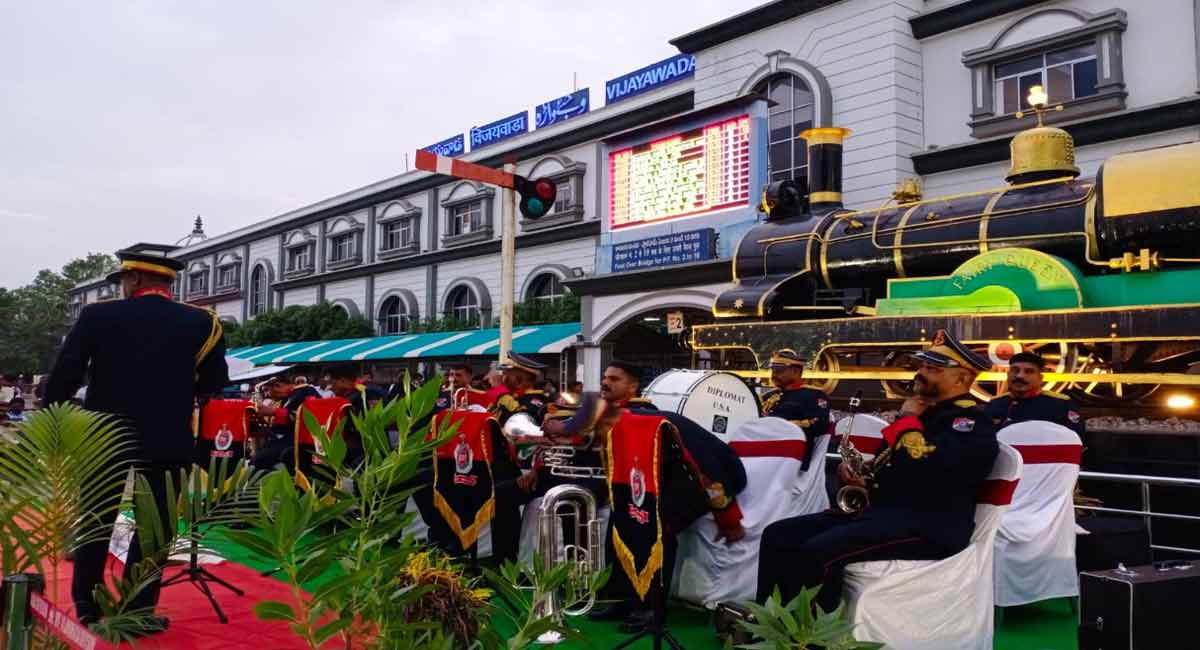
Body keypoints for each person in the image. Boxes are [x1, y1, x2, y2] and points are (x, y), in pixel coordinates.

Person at [44, 249, 228, 632]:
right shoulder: (202, 322)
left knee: (97, 521)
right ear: (167, 283)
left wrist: (57, 423)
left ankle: (88, 607)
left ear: (136, 280)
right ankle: (137, 610)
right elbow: (213, 384)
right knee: (154, 527)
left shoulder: (98, 316)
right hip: (167, 438)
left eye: (124, 281)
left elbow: (64, 377)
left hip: (103, 438)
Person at [755, 329, 999, 612]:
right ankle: (771, 620)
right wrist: (863, 474)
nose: (920, 373)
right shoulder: (926, 413)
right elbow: (894, 465)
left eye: (932, 369)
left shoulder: (970, 422)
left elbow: (923, 464)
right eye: (921, 366)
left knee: (819, 551)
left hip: (931, 526)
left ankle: (810, 639)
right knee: (778, 534)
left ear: (963, 378)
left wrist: (907, 420)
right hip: (887, 515)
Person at [589, 360, 748, 632]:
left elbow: (703, 467)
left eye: (615, 378)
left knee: (654, 526)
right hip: (653, 485)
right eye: (605, 376)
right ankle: (623, 599)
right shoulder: (616, 418)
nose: (605, 382)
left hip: (697, 483)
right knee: (620, 523)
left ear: (633, 386)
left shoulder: (653, 420)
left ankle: (653, 609)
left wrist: (728, 516)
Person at [985, 351, 1085, 438]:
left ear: (1040, 378)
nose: (1020, 376)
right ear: (1007, 374)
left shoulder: (1060, 405)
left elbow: (1075, 441)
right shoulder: (995, 404)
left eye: (1029, 371)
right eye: (1015, 370)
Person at [760, 348, 831, 470]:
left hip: (790, 459)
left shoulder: (813, 395)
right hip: (764, 453)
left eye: (779, 370)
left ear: (795, 371)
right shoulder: (768, 396)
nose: (774, 373)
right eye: (773, 369)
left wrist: (783, 425)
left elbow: (820, 424)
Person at [250, 376, 322, 471]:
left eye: (266, 390)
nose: (267, 395)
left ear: (277, 385)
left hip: (300, 441)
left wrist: (274, 412)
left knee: (258, 461)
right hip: (284, 440)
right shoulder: (285, 398)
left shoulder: (306, 391)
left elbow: (308, 417)